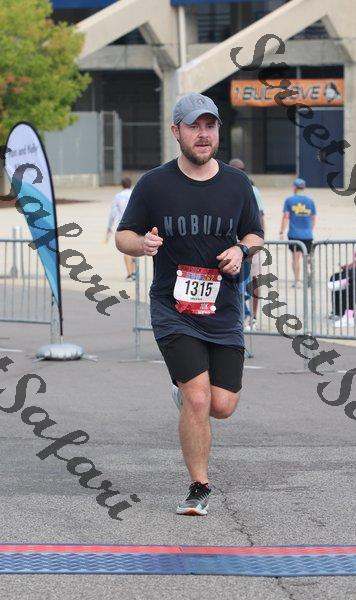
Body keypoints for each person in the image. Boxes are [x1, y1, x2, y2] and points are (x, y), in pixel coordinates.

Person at [115, 92, 264, 516]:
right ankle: (199, 486)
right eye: (194, 127)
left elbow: (255, 234)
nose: (203, 134)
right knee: (198, 399)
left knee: (222, 405)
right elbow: (123, 235)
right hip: (173, 308)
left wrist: (242, 250)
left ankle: (184, 393)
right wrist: (142, 244)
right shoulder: (154, 184)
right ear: (176, 132)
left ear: (218, 130)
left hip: (224, 308)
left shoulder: (237, 184)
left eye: (210, 126)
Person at [228, 158, 265, 330]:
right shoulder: (225, 187)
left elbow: (260, 218)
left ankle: (253, 317)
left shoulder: (252, 190)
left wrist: (258, 241)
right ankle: (240, 315)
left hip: (249, 243)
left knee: (254, 279)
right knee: (235, 281)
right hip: (232, 244)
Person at [279, 178, 316, 288]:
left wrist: (281, 231)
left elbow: (286, 217)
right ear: (304, 187)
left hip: (294, 234)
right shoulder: (310, 201)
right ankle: (310, 278)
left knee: (295, 258)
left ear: (294, 187)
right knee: (308, 258)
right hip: (307, 235)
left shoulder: (289, 200)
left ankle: (297, 280)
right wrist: (309, 230)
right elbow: (313, 218)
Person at [106, 177, 136, 280]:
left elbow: (113, 212)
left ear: (122, 185)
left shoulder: (118, 196)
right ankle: (134, 272)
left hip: (124, 224)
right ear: (130, 184)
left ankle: (130, 274)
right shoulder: (135, 193)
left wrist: (109, 227)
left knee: (127, 250)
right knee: (134, 248)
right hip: (136, 224)